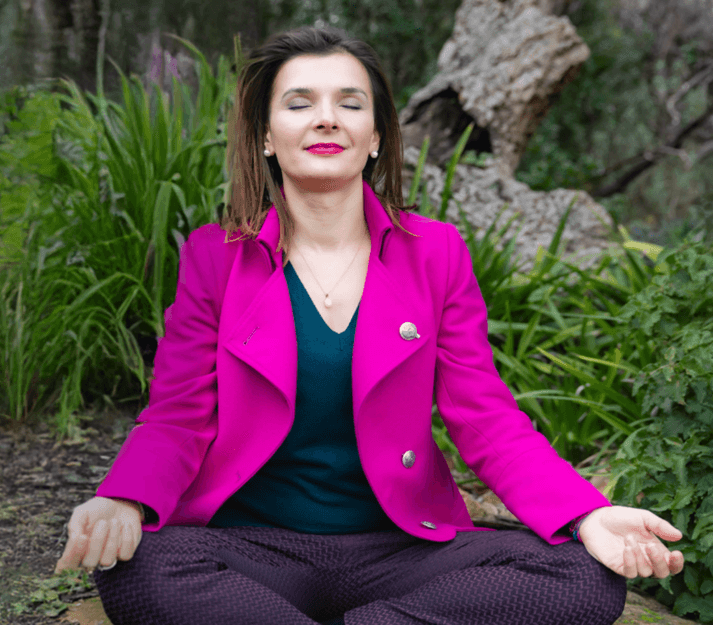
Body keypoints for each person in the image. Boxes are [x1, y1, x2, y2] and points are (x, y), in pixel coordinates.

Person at [53, 26, 684, 625]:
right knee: (140, 568)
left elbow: (485, 417)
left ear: (376, 136)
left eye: (350, 104)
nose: (327, 118)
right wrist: (124, 498)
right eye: (300, 103)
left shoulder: (436, 254)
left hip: (400, 550)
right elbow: (177, 416)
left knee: (584, 577)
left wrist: (586, 515)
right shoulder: (216, 257)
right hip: (249, 547)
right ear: (267, 136)